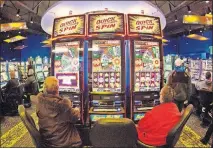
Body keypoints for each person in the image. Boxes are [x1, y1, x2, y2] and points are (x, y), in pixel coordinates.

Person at [36, 76, 82, 147]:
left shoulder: (39, 101)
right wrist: (77, 109)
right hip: (63, 143)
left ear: (44, 88)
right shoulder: (63, 105)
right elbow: (75, 118)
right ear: (58, 89)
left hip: (47, 142)